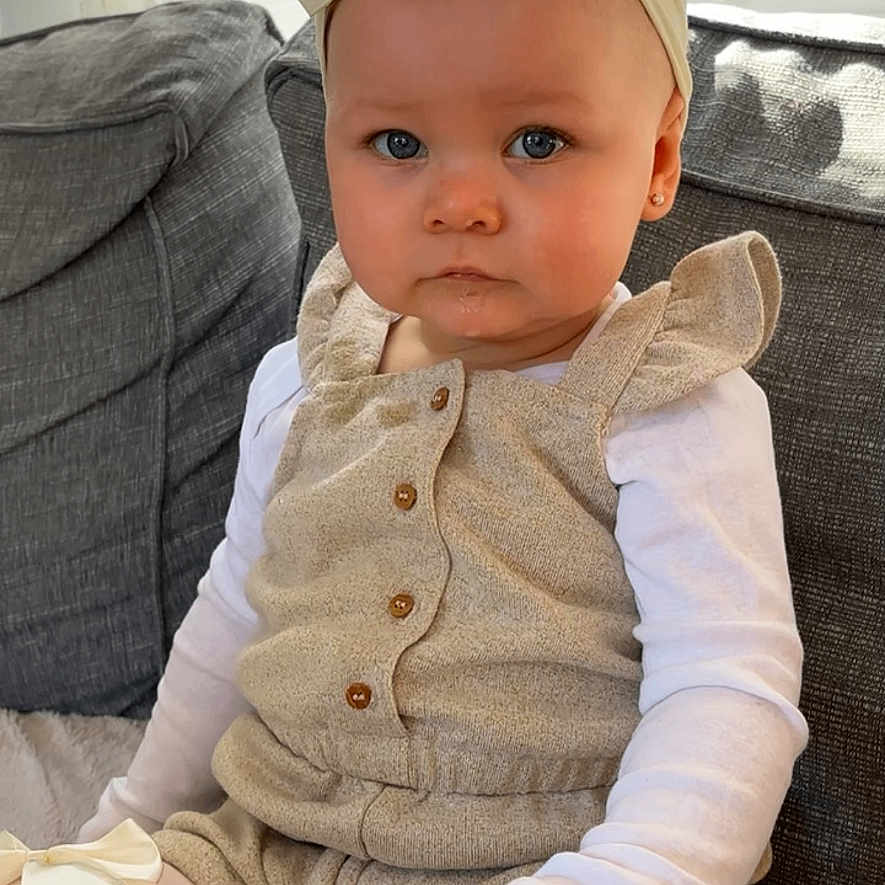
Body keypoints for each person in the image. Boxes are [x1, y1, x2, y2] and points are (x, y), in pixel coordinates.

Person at [6, 0, 809, 882]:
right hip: (263, 841)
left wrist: (636, 864)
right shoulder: (302, 380)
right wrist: (128, 822)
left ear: (656, 161)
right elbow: (234, 614)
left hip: (532, 854)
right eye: (397, 144)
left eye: (536, 141)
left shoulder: (668, 406)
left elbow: (724, 684)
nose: (458, 205)